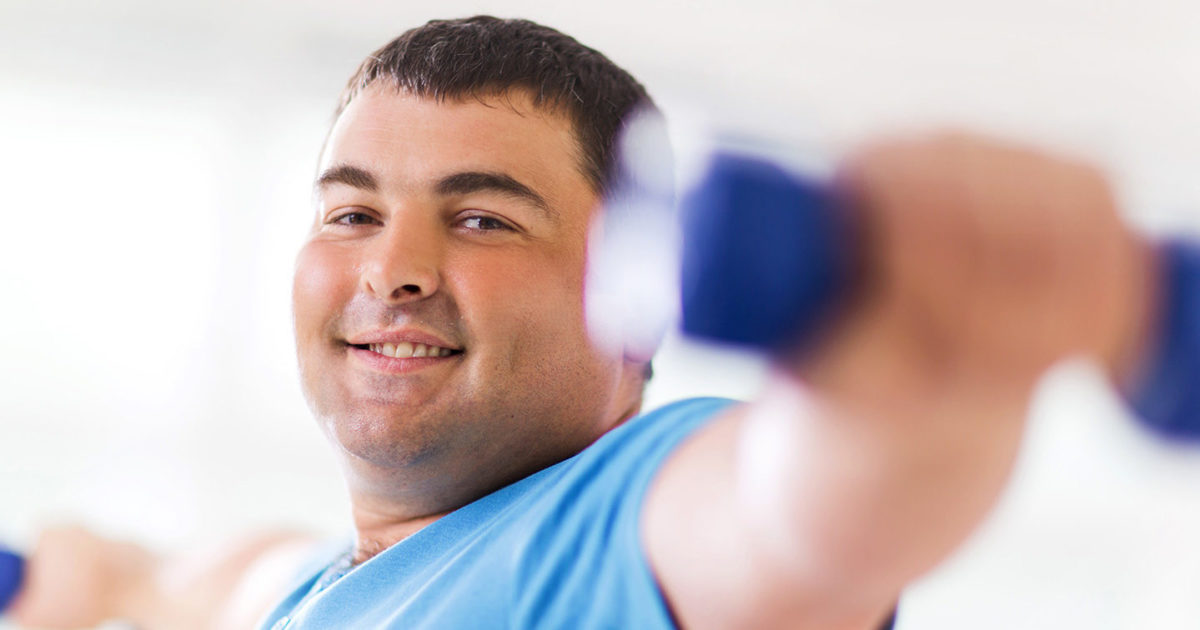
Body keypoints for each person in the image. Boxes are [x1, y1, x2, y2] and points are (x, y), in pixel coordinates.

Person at [5, 15, 1154, 630]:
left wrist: (924, 356)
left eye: (486, 220)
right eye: (352, 210)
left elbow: (806, 513)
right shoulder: (317, 589)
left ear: (633, 301)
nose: (392, 269)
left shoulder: (626, 521)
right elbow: (194, 582)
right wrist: (95, 579)